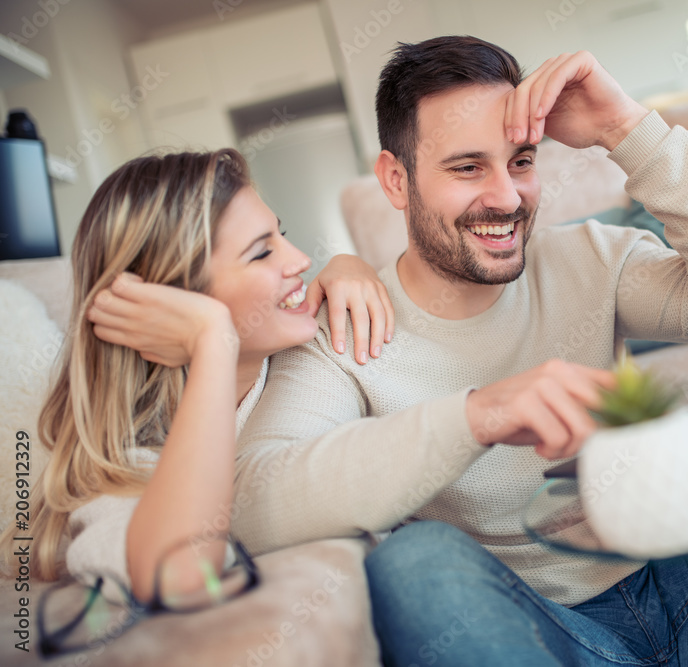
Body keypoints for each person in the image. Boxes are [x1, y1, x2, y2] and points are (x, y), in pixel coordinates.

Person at [234, 36, 688, 666]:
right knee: (413, 562)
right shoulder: (345, 328)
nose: (506, 197)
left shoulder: (588, 257)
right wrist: (480, 414)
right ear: (396, 179)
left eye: (521, 161)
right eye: (467, 168)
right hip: (547, 637)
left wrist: (624, 127)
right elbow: (253, 503)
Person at [0, 149, 393, 604]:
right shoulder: (126, 465)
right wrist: (212, 341)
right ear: (174, 300)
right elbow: (181, 575)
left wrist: (354, 265)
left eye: (280, 235)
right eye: (262, 252)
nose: (301, 259)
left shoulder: (319, 350)